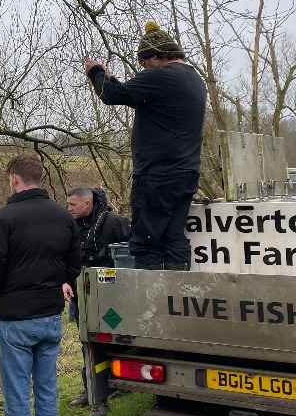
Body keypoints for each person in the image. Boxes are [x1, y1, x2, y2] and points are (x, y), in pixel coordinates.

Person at [0, 155, 79, 416]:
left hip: (17, 320)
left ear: (15, 178)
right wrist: (60, 282)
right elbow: (73, 262)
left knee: (19, 394)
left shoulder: (4, 218)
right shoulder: (64, 216)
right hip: (51, 317)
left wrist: (6, 292)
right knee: (47, 391)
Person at [83, 20, 207, 271]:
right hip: (186, 174)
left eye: (144, 62)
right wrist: (112, 78)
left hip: (156, 176)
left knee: (146, 244)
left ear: (156, 56)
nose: (142, 68)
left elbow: (110, 96)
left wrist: (95, 72)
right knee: (173, 239)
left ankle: (152, 305)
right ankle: (177, 298)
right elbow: (131, 94)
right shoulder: (194, 79)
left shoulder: (160, 75)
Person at [64, 187, 130, 416]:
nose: (69, 209)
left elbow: (135, 253)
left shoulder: (115, 223)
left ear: (88, 204)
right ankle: (92, 390)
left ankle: (107, 390)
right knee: (88, 344)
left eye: (73, 205)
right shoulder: (71, 225)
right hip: (82, 297)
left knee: (111, 341)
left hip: (111, 299)